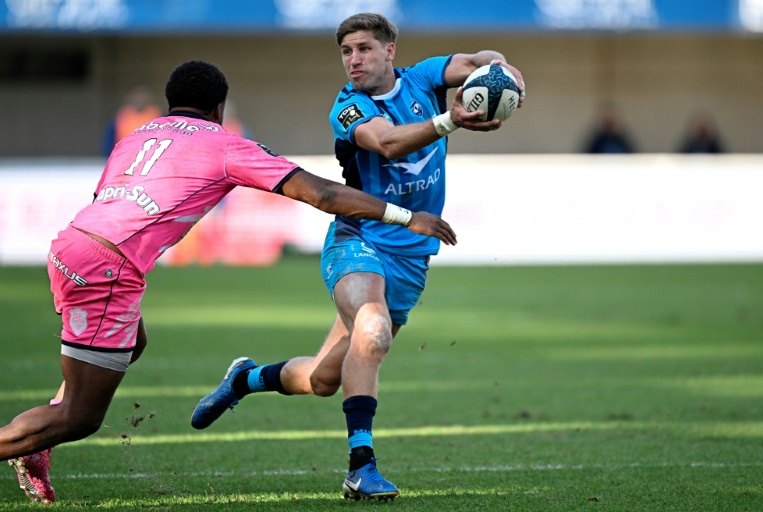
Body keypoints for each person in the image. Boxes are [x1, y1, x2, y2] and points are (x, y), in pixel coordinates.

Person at [1, 59, 456, 505]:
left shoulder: (137, 135)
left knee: (131, 343)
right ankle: (37, 436)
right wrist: (406, 216)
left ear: (170, 102)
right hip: (109, 269)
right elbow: (323, 194)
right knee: (80, 418)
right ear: (219, 108)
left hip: (72, 245)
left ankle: (37, 443)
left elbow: (104, 198)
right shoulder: (224, 144)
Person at [191, 12, 525, 502]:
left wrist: (506, 77)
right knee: (373, 328)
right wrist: (453, 119)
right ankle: (361, 467)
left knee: (324, 378)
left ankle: (244, 378)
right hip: (359, 238)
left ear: (390, 51)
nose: (354, 60)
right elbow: (386, 143)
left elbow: (482, 60)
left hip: (410, 259)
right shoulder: (348, 107)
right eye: (346, 52)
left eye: (364, 49)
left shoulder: (424, 78)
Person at [101, 85, 162, 157]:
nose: (140, 100)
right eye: (137, 97)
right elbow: (109, 139)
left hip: (149, 155)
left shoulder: (156, 115)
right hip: (124, 155)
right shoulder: (123, 115)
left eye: (142, 98)